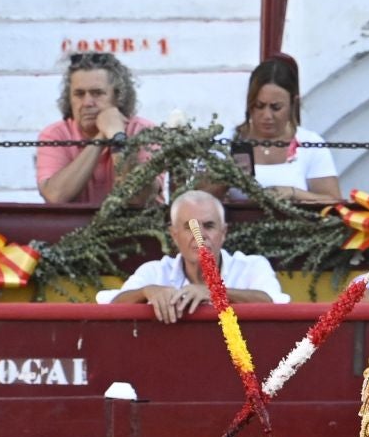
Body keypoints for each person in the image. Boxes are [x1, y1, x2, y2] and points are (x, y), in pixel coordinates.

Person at [107, 190, 290, 323]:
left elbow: (273, 303)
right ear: (174, 235)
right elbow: (109, 308)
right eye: (190, 227)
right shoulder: (154, 272)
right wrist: (145, 292)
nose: (200, 235)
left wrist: (214, 293)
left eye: (209, 226)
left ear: (223, 233)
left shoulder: (252, 266)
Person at [36, 51, 157, 206]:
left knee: (195, 228)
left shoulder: (144, 131)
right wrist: (101, 137)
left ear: (118, 97)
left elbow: (138, 198)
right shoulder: (55, 134)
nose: (87, 102)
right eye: (79, 94)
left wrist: (118, 137)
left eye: (97, 93)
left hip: (138, 228)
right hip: (75, 229)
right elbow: (55, 196)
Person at [232, 55, 340, 204]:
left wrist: (294, 193)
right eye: (259, 106)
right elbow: (194, 210)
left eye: (276, 108)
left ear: (293, 103)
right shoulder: (227, 141)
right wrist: (226, 177)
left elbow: (334, 202)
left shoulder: (311, 143)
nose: (267, 115)